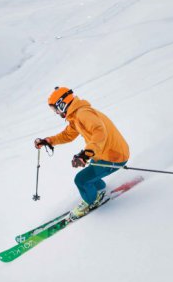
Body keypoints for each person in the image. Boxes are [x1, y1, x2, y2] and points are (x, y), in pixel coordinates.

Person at [34, 87, 130, 219]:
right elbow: (67, 135)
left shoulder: (83, 114)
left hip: (114, 156)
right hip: (104, 153)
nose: (56, 112)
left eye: (55, 108)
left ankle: (91, 202)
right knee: (90, 174)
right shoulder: (76, 116)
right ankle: (100, 192)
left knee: (81, 180)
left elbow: (99, 131)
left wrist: (86, 154)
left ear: (62, 104)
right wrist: (48, 141)